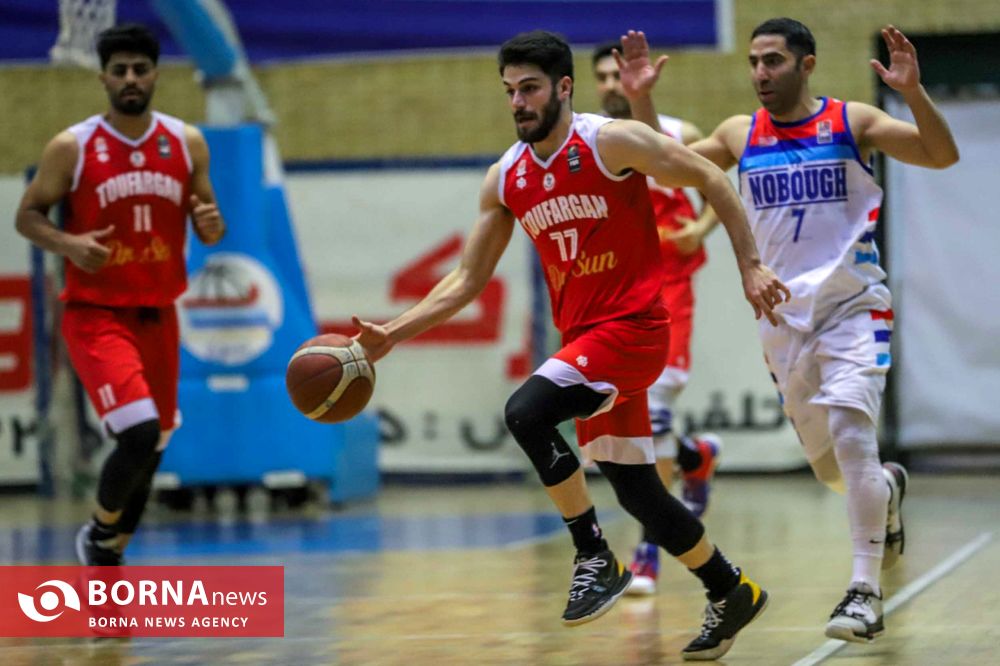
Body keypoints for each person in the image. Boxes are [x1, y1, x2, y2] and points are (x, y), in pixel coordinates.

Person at [352, 30, 790, 661]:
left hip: (634, 328)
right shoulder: (506, 177)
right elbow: (466, 280)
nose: (518, 102)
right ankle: (731, 589)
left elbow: (710, 177)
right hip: (588, 340)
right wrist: (392, 334)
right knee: (637, 491)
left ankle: (593, 555)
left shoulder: (611, 142)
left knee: (525, 412)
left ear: (563, 87)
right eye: (509, 90)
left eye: (529, 88)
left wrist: (750, 265)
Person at [657, 18, 956, 642]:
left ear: (807, 64)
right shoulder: (739, 133)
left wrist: (914, 93)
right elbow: (667, 170)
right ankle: (887, 490)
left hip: (853, 308)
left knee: (852, 432)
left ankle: (863, 592)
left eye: (773, 60)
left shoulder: (853, 122)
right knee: (831, 472)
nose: (760, 73)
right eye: (753, 62)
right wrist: (640, 101)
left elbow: (940, 154)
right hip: (782, 322)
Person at [16, 23, 225, 566]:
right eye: (119, 70)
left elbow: (209, 222)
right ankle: (97, 530)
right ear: (104, 79)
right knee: (138, 431)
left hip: (158, 314)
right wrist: (68, 244)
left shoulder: (186, 142)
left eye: (140, 69)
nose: (130, 78)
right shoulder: (72, 146)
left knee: (154, 445)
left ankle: (107, 550)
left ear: (155, 74)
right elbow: (27, 215)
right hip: (97, 314)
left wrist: (211, 225)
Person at [593, 33, 722, 597]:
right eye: (601, 77)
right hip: (617, 290)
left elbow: (717, 180)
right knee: (624, 418)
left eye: (616, 75)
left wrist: (702, 227)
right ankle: (696, 457)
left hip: (669, 284)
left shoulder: (677, 132)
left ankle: (648, 551)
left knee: (657, 410)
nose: (610, 85)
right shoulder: (589, 142)